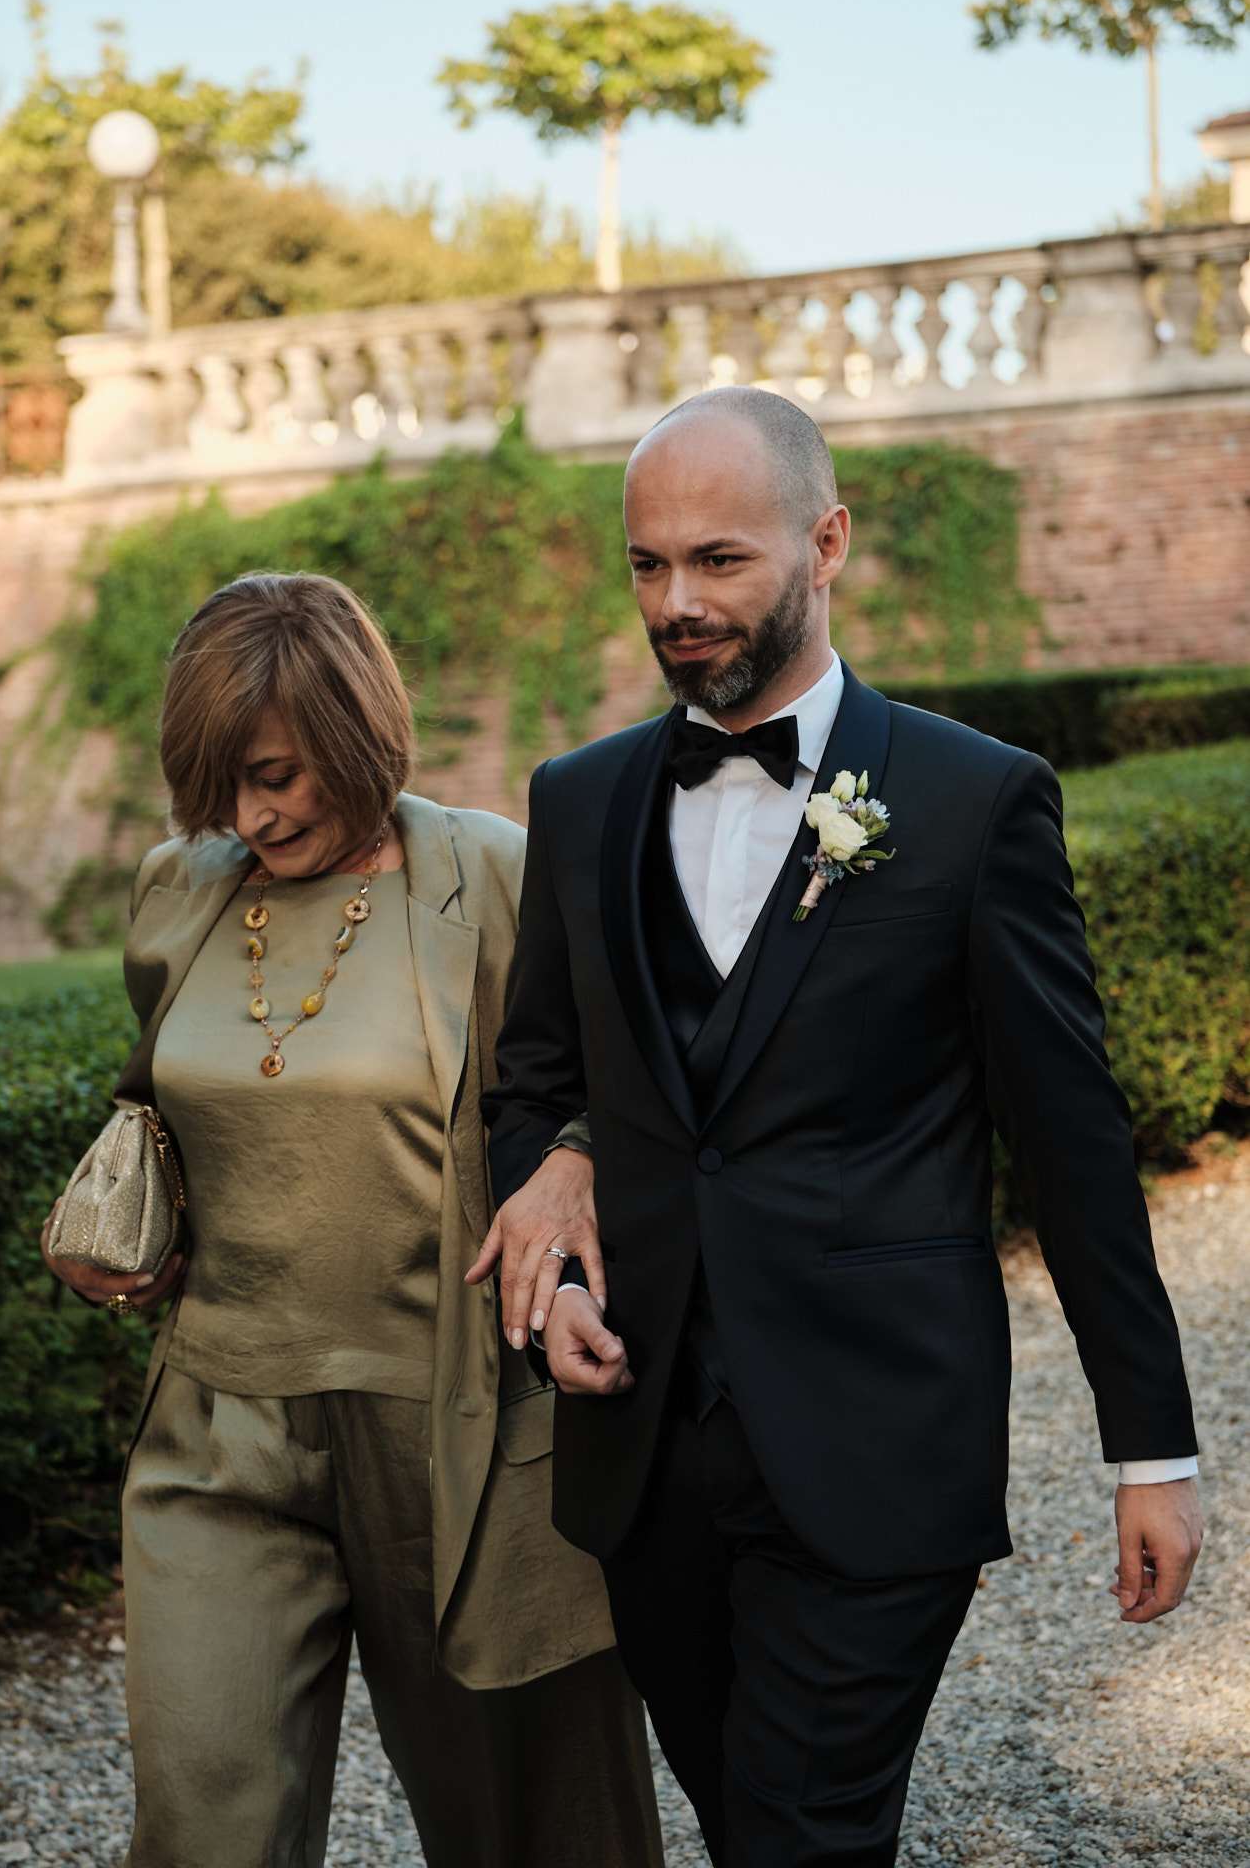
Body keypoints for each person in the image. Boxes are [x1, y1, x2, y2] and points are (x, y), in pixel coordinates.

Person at [475, 387, 1204, 1867]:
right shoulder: (579, 802)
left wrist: (1152, 1450)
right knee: (744, 1817)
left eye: (718, 560)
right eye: (647, 564)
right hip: (644, 1447)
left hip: (879, 1437)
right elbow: (533, 1081)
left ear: (826, 544)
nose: (676, 603)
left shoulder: (974, 800)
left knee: (801, 1830)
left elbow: (1072, 1143)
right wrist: (550, 1252)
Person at [40, 571, 663, 1868]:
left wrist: (574, 1162)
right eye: (219, 785)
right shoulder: (179, 892)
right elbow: (162, 1102)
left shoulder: (494, 874)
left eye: (275, 775)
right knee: (203, 1822)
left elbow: (625, 1085)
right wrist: (131, 1223)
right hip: (218, 1428)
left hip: (455, 1425)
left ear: (356, 734)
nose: (248, 816)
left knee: (533, 1828)